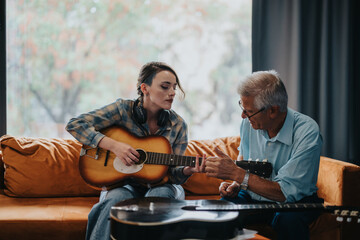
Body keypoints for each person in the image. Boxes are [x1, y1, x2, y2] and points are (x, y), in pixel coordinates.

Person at [66, 61, 205, 240]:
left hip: (162, 185)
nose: (172, 93)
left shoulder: (178, 125)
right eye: (165, 86)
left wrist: (187, 170)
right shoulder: (122, 110)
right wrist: (114, 145)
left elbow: (173, 175)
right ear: (144, 88)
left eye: (174, 88)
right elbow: (75, 125)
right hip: (123, 184)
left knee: (159, 196)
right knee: (114, 200)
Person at [205, 70, 323, 240]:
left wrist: (236, 173)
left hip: (296, 201)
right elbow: (245, 163)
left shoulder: (306, 131)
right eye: (242, 108)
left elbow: (286, 192)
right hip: (253, 196)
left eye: (249, 111)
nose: (243, 116)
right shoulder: (248, 124)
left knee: (287, 220)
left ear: (273, 111)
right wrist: (236, 184)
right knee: (222, 212)